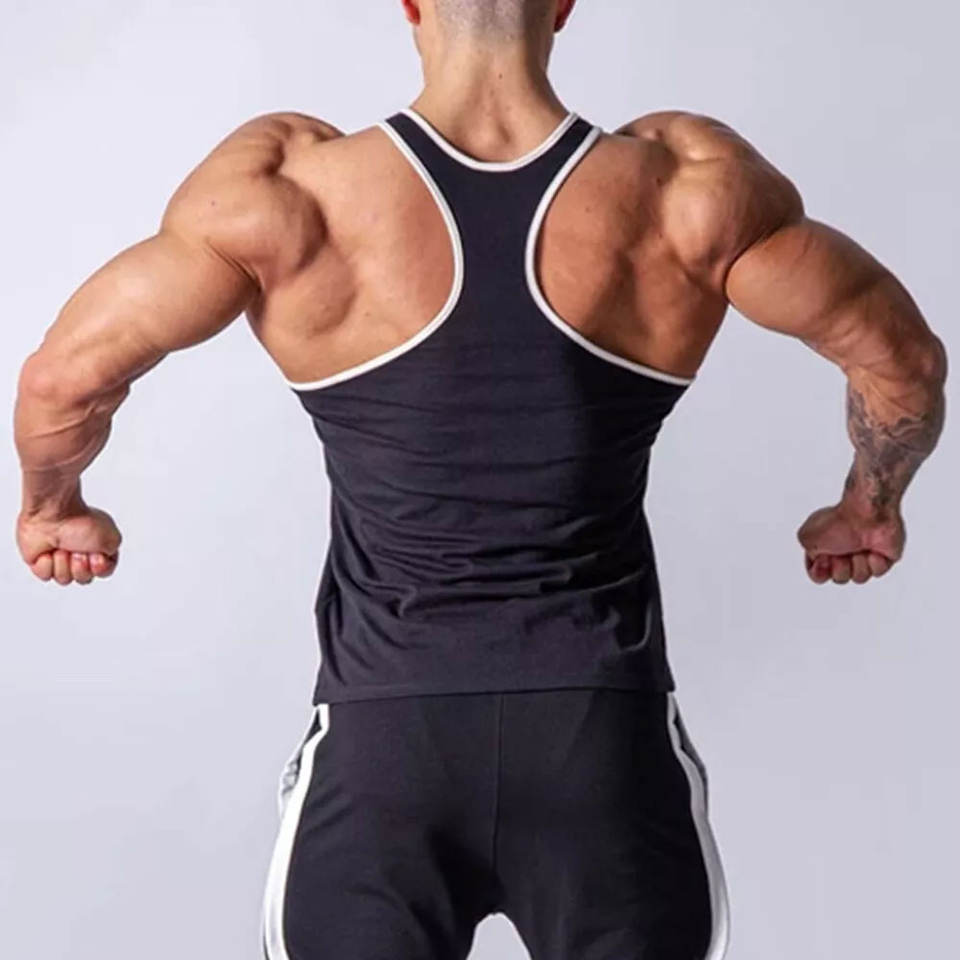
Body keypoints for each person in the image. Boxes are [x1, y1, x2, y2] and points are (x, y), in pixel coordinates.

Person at [13, 1, 946, 958]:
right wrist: (868, 506)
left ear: (411, 5)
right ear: (564, 6)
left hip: (383, 747)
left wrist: (54, 509)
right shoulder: (684, 193)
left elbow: (60, 382)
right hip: (603, 742)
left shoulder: (292, 195)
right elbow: (904, 364)